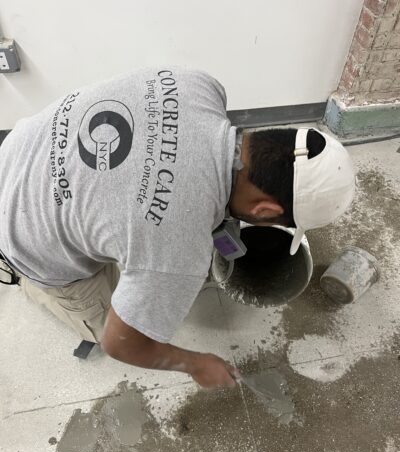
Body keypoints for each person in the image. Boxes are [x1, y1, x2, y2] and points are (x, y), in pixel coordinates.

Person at [0, 67, 355, 388]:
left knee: (124, 234)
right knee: (105, 319)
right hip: (21, 228)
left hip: (18, 148)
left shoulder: (200, 87)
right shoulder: (177, 253)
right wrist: (196, 364)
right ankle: (29, 281)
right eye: (281, 222)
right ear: (264, 209)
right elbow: (121, 343)